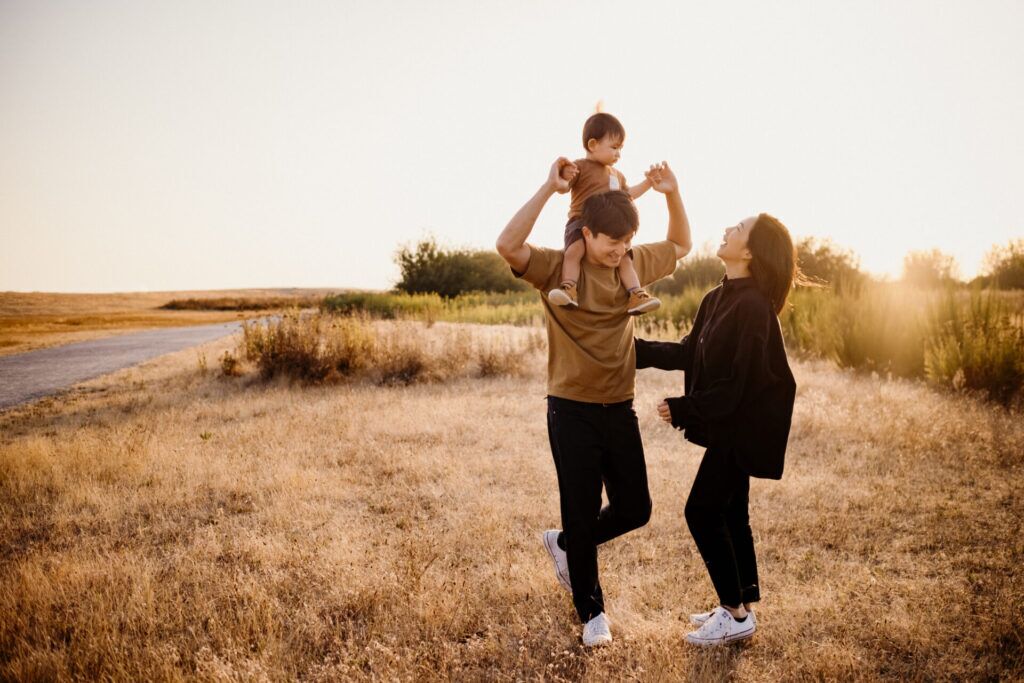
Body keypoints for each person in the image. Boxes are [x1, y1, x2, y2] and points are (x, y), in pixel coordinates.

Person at [495, 158, 691, 647]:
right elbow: (507, 246)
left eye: (626, 241)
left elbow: (682, 245)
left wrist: (671, 192)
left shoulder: (632, 264)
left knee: (636, 508)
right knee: (581, 510)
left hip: (618, 407)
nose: (619, 250)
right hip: (571, 408)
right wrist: (547, 188)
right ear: (585, 233)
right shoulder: (559, 269)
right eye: (610, 242)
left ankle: (565, 545)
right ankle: (592, 614)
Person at [634, 213, 799, 647]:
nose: (727, 229)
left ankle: (734, 613)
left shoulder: (755, 307)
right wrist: (632, 352)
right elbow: (691, 352)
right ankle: (740, 603)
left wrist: (685, 407)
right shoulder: (717, 297)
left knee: (701, 511)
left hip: (745, 427)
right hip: (731, 424)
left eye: (738, 229)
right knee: (729, 513)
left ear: (749, 251)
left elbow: (740, 385)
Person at [548, 112, 662, 316]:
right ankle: (569, 288)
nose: (618, 154)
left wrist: (648, 183)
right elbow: (564, 187)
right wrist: (564, 174)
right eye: (614, 147)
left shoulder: (617, 175)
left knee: (625, 259)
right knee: (574, 251)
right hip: (581, 221)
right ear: (593, 145)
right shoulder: (580, 167)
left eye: (621, 149)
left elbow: (628, 196)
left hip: (611, 228)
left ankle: (636, 294)